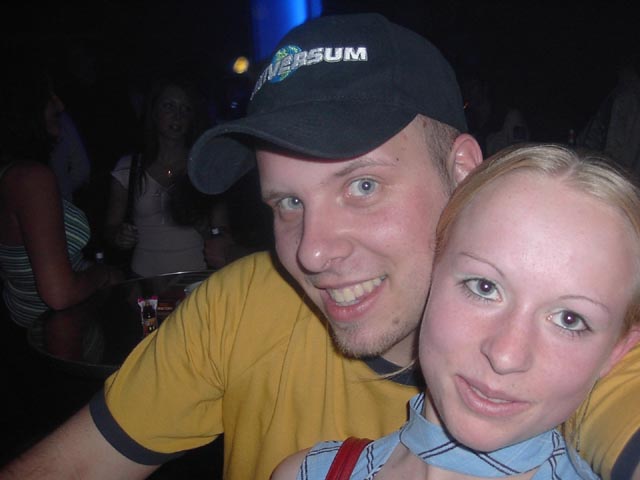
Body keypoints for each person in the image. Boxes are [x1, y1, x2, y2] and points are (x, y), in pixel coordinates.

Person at [1, 13, 639, 480]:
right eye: (287, 202)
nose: (311, 252)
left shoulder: (563, 348)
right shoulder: (242, 304)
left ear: (463, 171)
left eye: (362, 185)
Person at [272, 144, 640, 479]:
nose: (506, 356)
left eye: (569, 320)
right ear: (432, 270)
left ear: (617, 350)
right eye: (484, 287)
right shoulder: (308, 474)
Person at [0, 54, 123, 329]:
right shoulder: (30, 179)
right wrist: (103, 273)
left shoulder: (11, 173)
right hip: (53, 331)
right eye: (49, 97)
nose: (60, 104)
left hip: (28, 322)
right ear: (23, 107)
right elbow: (60, 294)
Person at [104, 77, 231, 275]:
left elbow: (224, 233)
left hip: (196, 280)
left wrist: (205, 228)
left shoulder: (205, 168)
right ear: (153, 112)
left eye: (185, 109)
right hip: (144, 281)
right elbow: (110, 228)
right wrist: (119, 236)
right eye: (169, 106)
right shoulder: (128, 167)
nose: (177, 116)